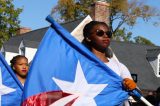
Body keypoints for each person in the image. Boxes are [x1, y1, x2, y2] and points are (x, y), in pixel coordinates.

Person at [82, 21, 137, 105]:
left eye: (108, 33)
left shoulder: (119, 66)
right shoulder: (81, 64)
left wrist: (131, 86)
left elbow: (136, 96)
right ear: (88, 38)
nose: (106, 36)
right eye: (100, 33)